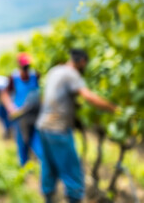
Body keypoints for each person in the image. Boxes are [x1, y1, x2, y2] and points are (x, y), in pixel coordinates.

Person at [36, 49, 117, 203]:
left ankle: (48, 198)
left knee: (49, 167)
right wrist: (114, 109)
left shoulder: (55, 71)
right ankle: (73, 198)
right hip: (58, 129)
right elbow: (88, 96)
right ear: (81, 62)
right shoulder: (72, 74)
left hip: (43, 126)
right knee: (73, 172)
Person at [1, 52, 43, 166]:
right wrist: (11, 108)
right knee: (22, 140)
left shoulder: (35, 76)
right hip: (20, 115)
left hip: (35, 114)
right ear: (19, 66)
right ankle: (24, 166)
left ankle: (41, 161)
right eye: (24, 67)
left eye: (27, 67)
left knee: (36, 139)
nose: (26, 69)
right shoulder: (13, 78)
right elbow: (5, 94)